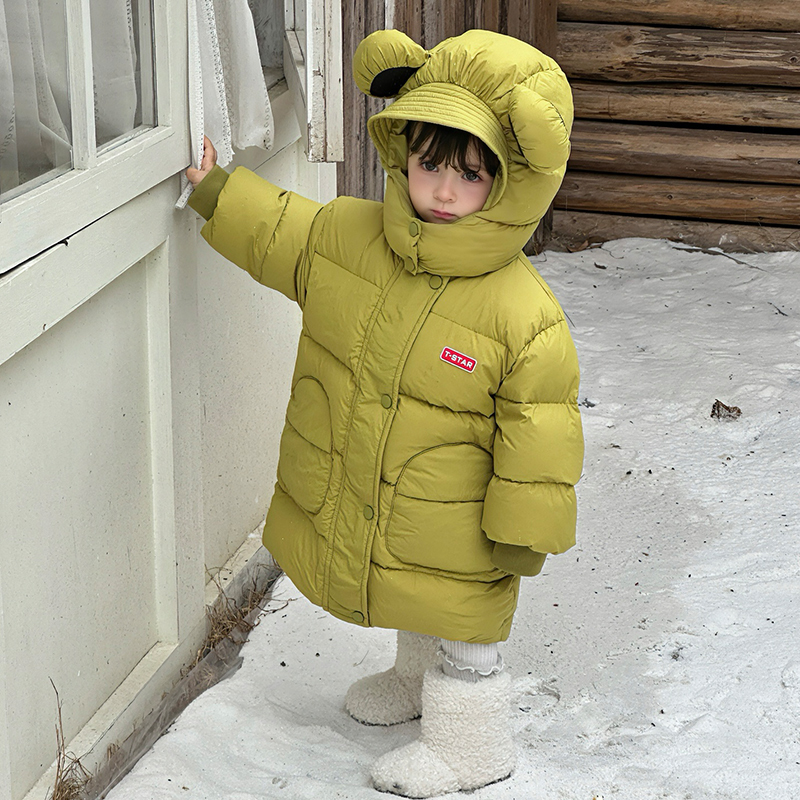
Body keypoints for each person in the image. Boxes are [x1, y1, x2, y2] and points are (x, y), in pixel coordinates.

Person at [186, 29, 583, 798]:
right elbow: (280, 231)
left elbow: (542, 429)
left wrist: (524, 529)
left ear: (513, 182)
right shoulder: (352, 238)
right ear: (404, 154)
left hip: (467, 519)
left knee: (464, 623)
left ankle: (472, 748)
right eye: (431, 163)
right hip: (400, 504)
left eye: (470, 174)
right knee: (413, 588)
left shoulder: (522, 314)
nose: (442, 190)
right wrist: (216, 191)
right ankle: (412, 682)